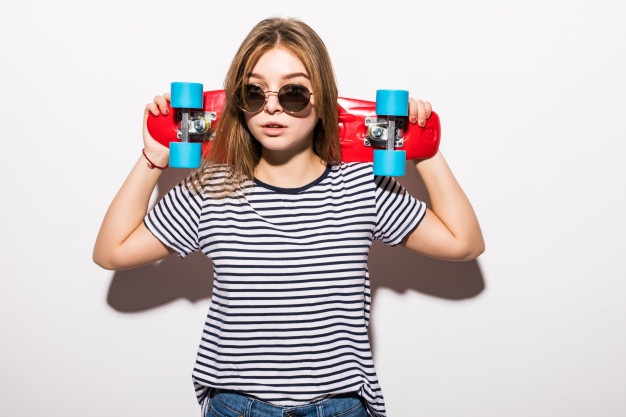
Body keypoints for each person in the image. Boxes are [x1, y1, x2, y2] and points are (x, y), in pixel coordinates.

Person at [93, 17, 484, 417]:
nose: (273, 105)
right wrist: (154, 157)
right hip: (237, 406)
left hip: (340, 407)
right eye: (254, 92)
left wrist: (425, 148)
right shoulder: (211, 190)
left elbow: (464, 242)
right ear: (237, 103)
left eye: (294, 92)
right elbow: (112, 251)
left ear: (323, 100)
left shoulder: (364, 186)